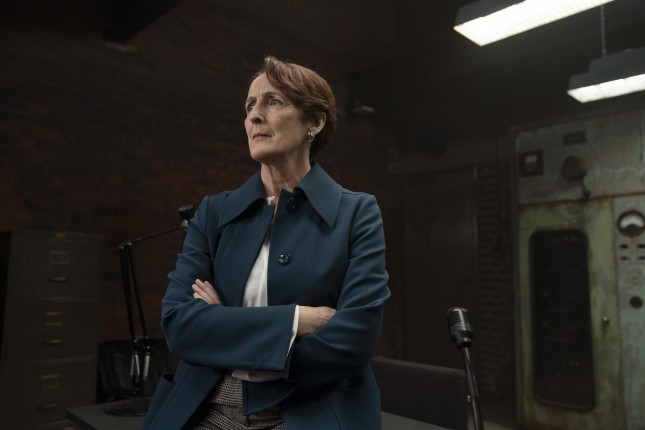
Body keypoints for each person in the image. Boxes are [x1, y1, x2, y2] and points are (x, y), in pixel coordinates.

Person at [142, 56, 390, 430]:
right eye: (249, 106)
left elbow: (354, 340)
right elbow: (179, 325)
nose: (254, 116)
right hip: (206, 406)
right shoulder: (213, 213)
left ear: (314, 122)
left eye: (273, 102)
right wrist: (296, 320)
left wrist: (223, 323)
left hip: (309, 409)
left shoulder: (358, 212)